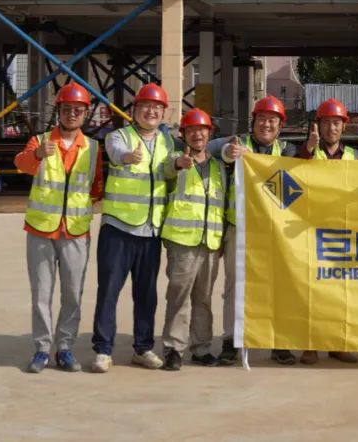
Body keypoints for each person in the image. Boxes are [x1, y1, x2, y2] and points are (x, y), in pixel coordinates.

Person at [15, 82, 103, 373]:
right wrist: (37, 155)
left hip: (75, 231)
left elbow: (97, 185)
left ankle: (65, 348)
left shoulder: (92, 148)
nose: (72, 114)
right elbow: (21, 164)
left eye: (78, 110)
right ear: (58, 112)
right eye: (67, 109)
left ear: (85, 114)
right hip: (41, 230)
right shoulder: (40, 141)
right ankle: (42, 348)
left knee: (73, 293)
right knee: (41, 294)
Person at [91, 83, 174, 373]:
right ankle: (103, 350)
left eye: (157, 107)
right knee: (109, 291)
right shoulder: (119, 136)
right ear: (135, 110)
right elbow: (115, 153)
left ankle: (143, 348)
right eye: (146, 106)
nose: (151, 111)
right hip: (119, 228)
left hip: (150, 231)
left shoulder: (168, 142)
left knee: (146, 294)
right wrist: (128, 157)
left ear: (164, 113)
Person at [211, 95, 299, 366]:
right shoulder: (238, 143)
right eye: (262, 119)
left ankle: (278, 341)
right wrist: (228, 153)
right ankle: (230, 340)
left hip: (275, 232)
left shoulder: (288, 151)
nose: (266, 124)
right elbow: (217, 151)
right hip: (240, 228)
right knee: (234, 287)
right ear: (253, 122)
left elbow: (293, 184)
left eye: (272, 120)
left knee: (278, 287)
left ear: (280, 126)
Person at [159, 108, 227, 371]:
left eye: (202, 130)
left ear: (209, 133)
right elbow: (166, 170)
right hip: (182, 242)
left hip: (210, 243)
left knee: (204, 298)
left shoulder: (218, 167)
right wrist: (179, 163)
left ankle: (201, 348)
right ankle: (174, 349)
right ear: (183, 134)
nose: (197, 134)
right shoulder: (175, 159)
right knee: (179, 297)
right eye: (192, 130)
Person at [296, 98, 358, 365]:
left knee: (341, 291)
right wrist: (308, 150)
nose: (331, 128)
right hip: (312, 231)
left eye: (336, 123)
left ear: (344, 126)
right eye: (326, 123)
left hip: (343, 232)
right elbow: (289, 174)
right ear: (318, 125)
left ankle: (337, 343)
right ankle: (310, 345)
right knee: (312, 290)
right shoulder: (308, 152)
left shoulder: (355, 156)